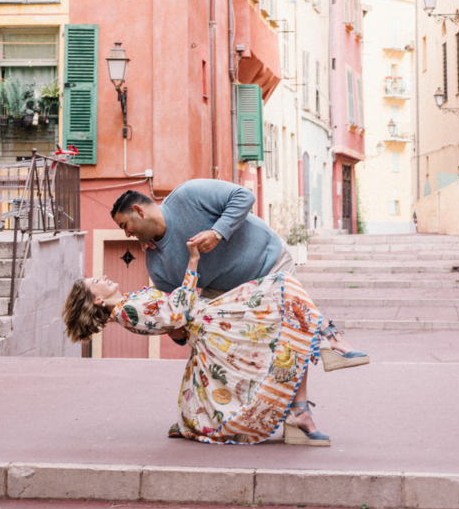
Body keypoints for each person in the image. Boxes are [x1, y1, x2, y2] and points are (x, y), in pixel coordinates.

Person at [64, 239, 337, 445]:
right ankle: (330, 340)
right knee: (282, 289)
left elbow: (170, 319)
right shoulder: (126, 311)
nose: (104, 277)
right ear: (97, 299)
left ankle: (314, 373)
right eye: (96, 281)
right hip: (212, 323)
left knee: (282, 327)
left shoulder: (126, 306)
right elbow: (177, 311)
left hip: (212, 320)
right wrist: (192, 260)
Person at [109, 181, 367, 370]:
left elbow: (243, 196)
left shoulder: (187, 195)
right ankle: (278, 411)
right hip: (229, 295)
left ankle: (332, 339)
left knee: (286, 315)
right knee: (257, 350)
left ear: (139, 211)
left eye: (125, 225)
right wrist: (175, 330)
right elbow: (177, 309)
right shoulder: (156, 264)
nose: (126, 233)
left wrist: (218, 232)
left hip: (268, 260)